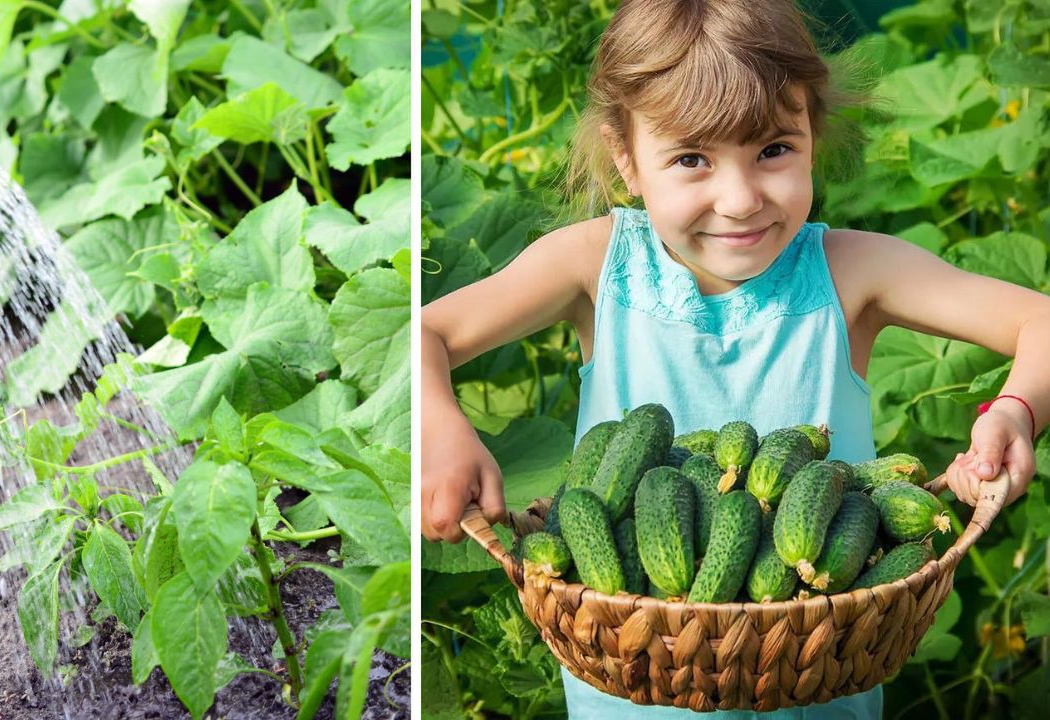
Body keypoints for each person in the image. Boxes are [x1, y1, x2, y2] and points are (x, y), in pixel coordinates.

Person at [420, 0, 1049, 717]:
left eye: (773, 150)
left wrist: (1014, 410)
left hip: (818, 682)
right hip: (631, 690)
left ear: (813, 133)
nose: (739, 199)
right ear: (625, 159)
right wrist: (441, 428)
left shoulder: (852, 273)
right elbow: (424, 335)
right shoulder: (594, 266)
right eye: (691, 159)